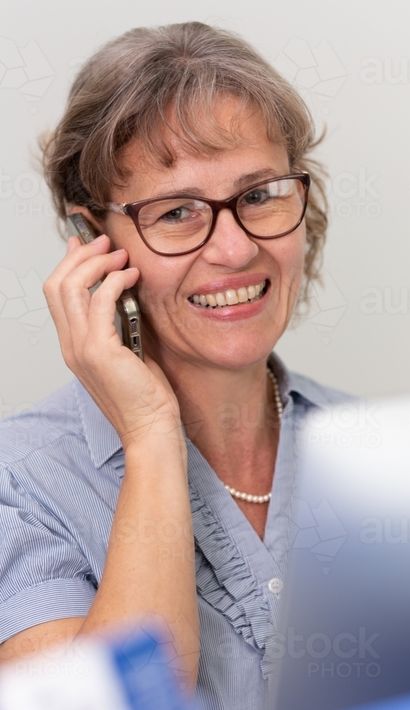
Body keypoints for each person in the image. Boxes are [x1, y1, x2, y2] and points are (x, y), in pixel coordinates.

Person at [0, 21, 348, 710]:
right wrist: (152, 432)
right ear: (92, 241)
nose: (232, 249)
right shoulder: (19, 486)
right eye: (178, 211)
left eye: (259, 195)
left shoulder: (387, 453)